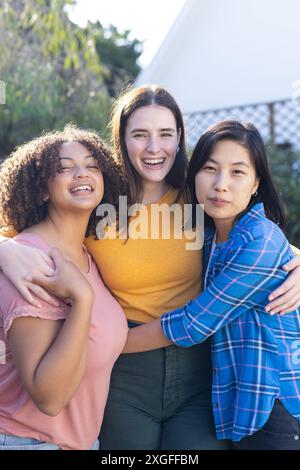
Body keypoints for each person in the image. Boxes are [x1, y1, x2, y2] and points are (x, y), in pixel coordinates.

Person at [0, 87, 300, 450]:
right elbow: (30, 227)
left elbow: (255, 244)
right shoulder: (98, 199)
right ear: (122, 139)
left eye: (166, 134)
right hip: (124, 367)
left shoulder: (199, 195)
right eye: (140, 134)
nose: (153, 147)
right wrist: (3, 249)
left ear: (179, 140)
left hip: (200, 367)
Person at [123, 120, 300, 450]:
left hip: (273, 410)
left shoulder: (259, 243)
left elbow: (192, 324)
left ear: (256, 183)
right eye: (210, 168)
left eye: (237, 172)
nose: (221, 185)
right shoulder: (206, 235)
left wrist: (105, 345)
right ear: (194, 175)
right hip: (235, 406)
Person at [0, 125, 128, 450]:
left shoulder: (85, 253)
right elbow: (50, 398)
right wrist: (82, 300)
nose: (81, 173)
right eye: (64, 168)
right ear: (43, 190)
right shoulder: (32, 264)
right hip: (28, 443)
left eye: (91, 165)